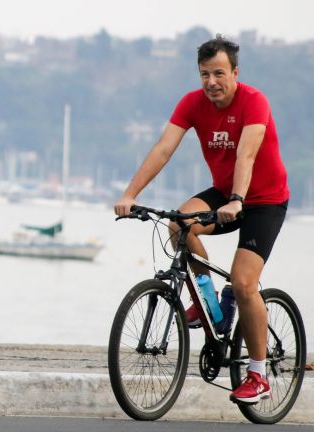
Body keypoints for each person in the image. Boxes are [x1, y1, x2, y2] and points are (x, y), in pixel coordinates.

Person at [114, 35, 289, 405]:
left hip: (264, 201)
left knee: (244, 284)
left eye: (219, 73)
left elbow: (247, 155)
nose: (211, 82)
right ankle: (213, 305)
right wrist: (131, 195)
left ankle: (258, 375)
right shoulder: (192, 104)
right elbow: (163, 149)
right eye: (205, 74)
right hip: (225, 194)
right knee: (179, 223)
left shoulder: (254, 102)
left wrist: (239, 199)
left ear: (235, 73)